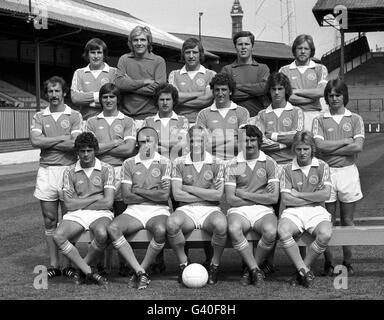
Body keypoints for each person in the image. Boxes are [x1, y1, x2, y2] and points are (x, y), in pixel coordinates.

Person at [249, 72, 304, 273]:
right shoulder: (262, 115)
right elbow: (261, 142)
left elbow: (298, 138)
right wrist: (284, 143)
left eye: (281, 88)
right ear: (269, 91)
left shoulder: (296, 111)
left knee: (296, 212)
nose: (277, 92)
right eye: (273, 89)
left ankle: (302, 262)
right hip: (269, 168)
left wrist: (274, 137)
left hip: (292, 169)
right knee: (268, 213)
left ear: (286, 90)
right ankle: (266, 262)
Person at [30, 76, 82, 279]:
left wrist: (47, 141)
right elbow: (35, 141)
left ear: (64, 92)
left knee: (69, 219)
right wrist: (62, 137)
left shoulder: (74, 115)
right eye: (50, 91)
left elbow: (74, 144)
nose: (53, 95)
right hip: (46, 171)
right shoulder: (39, 116)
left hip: (69, 170)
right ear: (47, 93)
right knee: (50, 220)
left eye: (57, 91)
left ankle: (68, 264)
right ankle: (53, 264)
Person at [107, 127, 171, 290]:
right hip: (134, 210)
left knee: (161, 230)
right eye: (142, 141)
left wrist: (138, 190)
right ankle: (140, 271)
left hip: (158, 210)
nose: (146, 144)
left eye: (149, 140)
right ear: (137, 144)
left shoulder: (165, 162)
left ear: (156, 142)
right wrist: (153, 192)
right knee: (113, 228)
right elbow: (127, 197)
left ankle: (141, 269)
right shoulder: (128, 163)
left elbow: (164, 197)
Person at [312, 79, 364, 276]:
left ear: (344, 96)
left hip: (348, 172)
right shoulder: (319, 119)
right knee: (328, 220)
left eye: (337, 95)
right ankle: (330, 262)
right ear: (326, 97)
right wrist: (344, 142)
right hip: (326, 173)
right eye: (330, 95)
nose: (334, 98)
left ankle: (348, 261)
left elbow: (357, 147)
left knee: (348, 220)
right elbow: (320, 147)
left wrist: (331, 147)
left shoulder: (355, 119)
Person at [85, 83, 137, 276]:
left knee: (121, 217)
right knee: (101, 219)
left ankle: (124, 262)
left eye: (112, 97)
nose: (108, 100)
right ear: (101, 99)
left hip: (122, 172)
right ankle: (100, 263)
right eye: (105, 97)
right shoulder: (91, 121)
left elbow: (128, 149)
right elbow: (90, 149)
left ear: (117, 99)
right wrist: (115, 142)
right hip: (100, 173)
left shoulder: (127, 121)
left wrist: (102, 147)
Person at [167, 126, 227, 285]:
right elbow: (177, 195)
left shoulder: (218, 163)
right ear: (188, 141)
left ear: (206, 141)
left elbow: (217, 195)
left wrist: (189, 188)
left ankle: (214, 265)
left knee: (221, 225)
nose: (196, 143)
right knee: (172, 224)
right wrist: (205, 194)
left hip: (211, 210)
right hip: (186, 210)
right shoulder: (179, 162)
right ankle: (183, 263)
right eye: (193, 140)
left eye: (200, 140)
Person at [53, 132, 115, 285]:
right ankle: (88, 271)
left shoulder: (107, 169)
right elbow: (69, 205)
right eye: (82, 151)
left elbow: (107, 202)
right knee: (58, 236)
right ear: (77, 152)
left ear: (95, 150)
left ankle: (81, 268)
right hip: (77, 214)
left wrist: (80, 201)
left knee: (101, 233)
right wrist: (95, 197)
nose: (86, 154)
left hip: (101, 212)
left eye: (89, 150)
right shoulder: (69, 171)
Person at [225, 124, 279, 286]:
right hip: (239, 210)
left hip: (263, 211)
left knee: (271, 231)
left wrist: (245, 194)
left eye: (252, 140)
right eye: (245, 140)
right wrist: (261, 195)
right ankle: (255, 269)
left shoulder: (269, 162)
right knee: (234, 228)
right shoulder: (234, 164)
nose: (249, 144)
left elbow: (274, 199)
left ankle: (250, 269)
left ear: (259, 141)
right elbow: (230, 199)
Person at [278, 131, 333, 288]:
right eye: (299, 149)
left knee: (325, 234)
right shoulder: (287, 169)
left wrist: (299, 194)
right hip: (293, 211)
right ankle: (304, 270)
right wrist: (314, 195)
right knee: (283, 231)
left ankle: (302, 270)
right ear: (294, 150)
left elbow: (325, 195)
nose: (302, 153)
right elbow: (287, 199)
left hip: (316, 210)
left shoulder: (322, 166)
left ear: (312, 149)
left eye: (306, 149)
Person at [115, 25, 166, 125]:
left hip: (150, 116)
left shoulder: (158, 61)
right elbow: (119, 84)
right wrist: (144, 82)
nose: (139, 43)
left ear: (148, 42)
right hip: (125, 116)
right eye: (135, 40)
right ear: (131, 43)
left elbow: (159, 90)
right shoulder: (124, 59)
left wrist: (129, 84)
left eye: (142, 40)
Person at [279, 34, 328, 132]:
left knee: (312, 145)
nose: (302, 51)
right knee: (293, 145)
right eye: (299, 48)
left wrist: (296, 91)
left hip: (313, 115)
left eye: (306, 48)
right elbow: (286, 96)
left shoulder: (320, 68)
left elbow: (322, 92)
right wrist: (312, 98)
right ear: (294, 50)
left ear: (311, 51)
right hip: (291, 115)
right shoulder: (284, 70)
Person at [196, 73, 249, 161]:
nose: (220, 93)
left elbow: (243, 143)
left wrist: (213, 141)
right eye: (217, 90)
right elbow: (199, 144)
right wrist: (230, 140)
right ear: (212, 91)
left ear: (230, 91)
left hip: (235, 161)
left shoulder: (242, 112)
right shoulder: (203, 114)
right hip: (211, 162)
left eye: (224, 90)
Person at [221, 31, 270, 117]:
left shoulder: (262, 68)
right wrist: (255, 91)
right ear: (235, 47)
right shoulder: (227, 70)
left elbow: (264, 89)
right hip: (233, 119)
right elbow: (224, 93)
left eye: (247, 44)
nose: (243, 47)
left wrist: (236, 86)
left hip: (257, 118)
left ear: (252, 47)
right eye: (240, 44)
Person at [168, 37, 216, 124]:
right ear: (183, 54)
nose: (191, 56)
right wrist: (200, 93)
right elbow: (172, 99)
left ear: (200, 54)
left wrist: (180, 99)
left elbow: (206, 100)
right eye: (187, 52)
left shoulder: (211, 74)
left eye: (194, 52)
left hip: (204, 123)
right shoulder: (174, 74)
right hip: (179, 123)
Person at [71, 38, 116, 121]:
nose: (96, 56)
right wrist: (101, 97)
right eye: (92, 52)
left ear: (104, 54)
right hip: (85, 121)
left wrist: (86, 101)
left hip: (109, 121)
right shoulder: (79, 73)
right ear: (87, 54)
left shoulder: (114, 72)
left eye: (99, 52)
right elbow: (76, 99)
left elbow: (116, 100)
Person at [142, 83, 189, 161]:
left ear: (173, 101)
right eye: (161, 99)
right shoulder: (148, 121)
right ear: (156, 101)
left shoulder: (183, 120)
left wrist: (155, 141)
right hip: (154, 164)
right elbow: (145, 145)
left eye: (168, 99)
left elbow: (181, 144)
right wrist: (170, 143)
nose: (165, 103)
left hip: (176, 163)